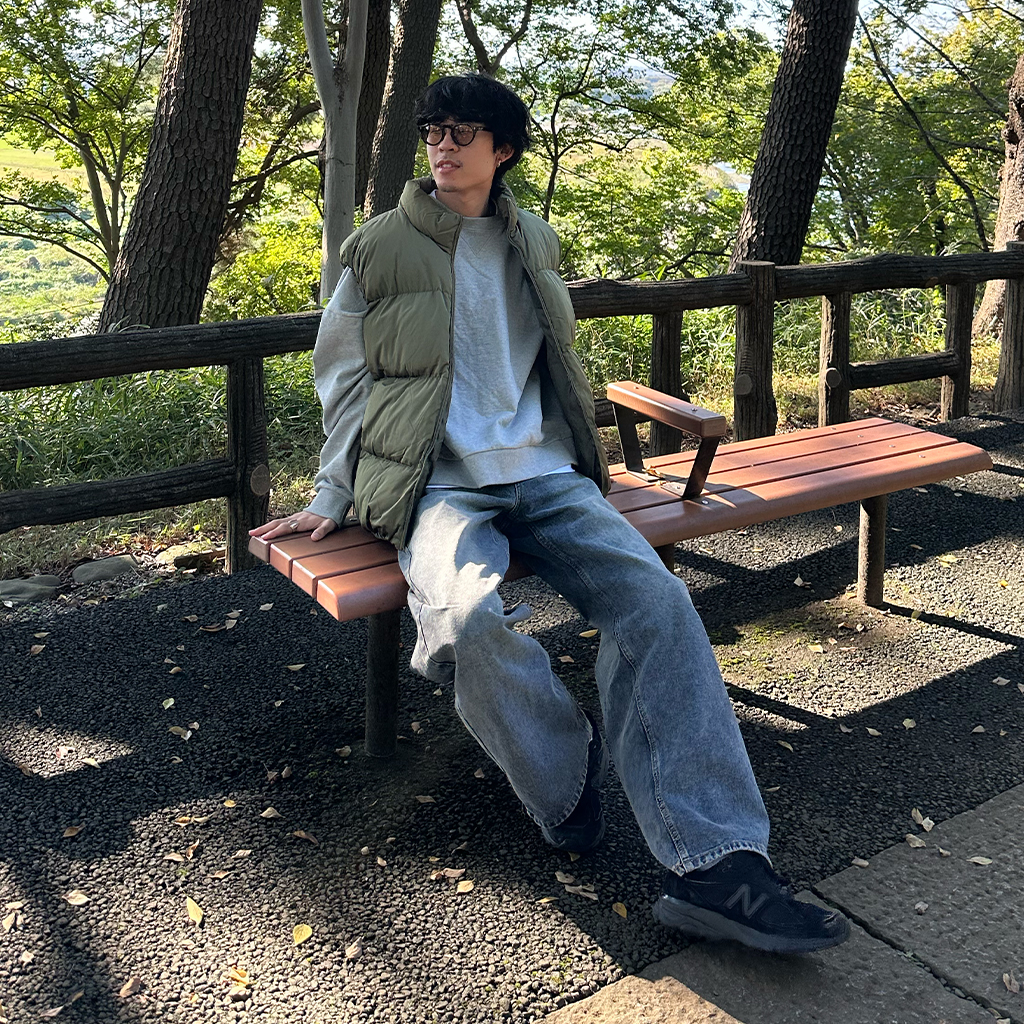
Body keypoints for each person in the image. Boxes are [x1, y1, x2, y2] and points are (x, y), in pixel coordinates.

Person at [250, 73, 850, 955]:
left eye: (464, 132)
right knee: (464, 624)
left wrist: (579, 454)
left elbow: (550, 360)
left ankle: (718, 866)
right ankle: (563, 780)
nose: (443, 146)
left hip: (549, 472)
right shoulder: (378, 247)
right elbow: (341, 380)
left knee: (659, 604)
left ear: (503, 149)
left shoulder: (534, 236)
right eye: (434, 131)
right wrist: (333, 496)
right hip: (438, 483)